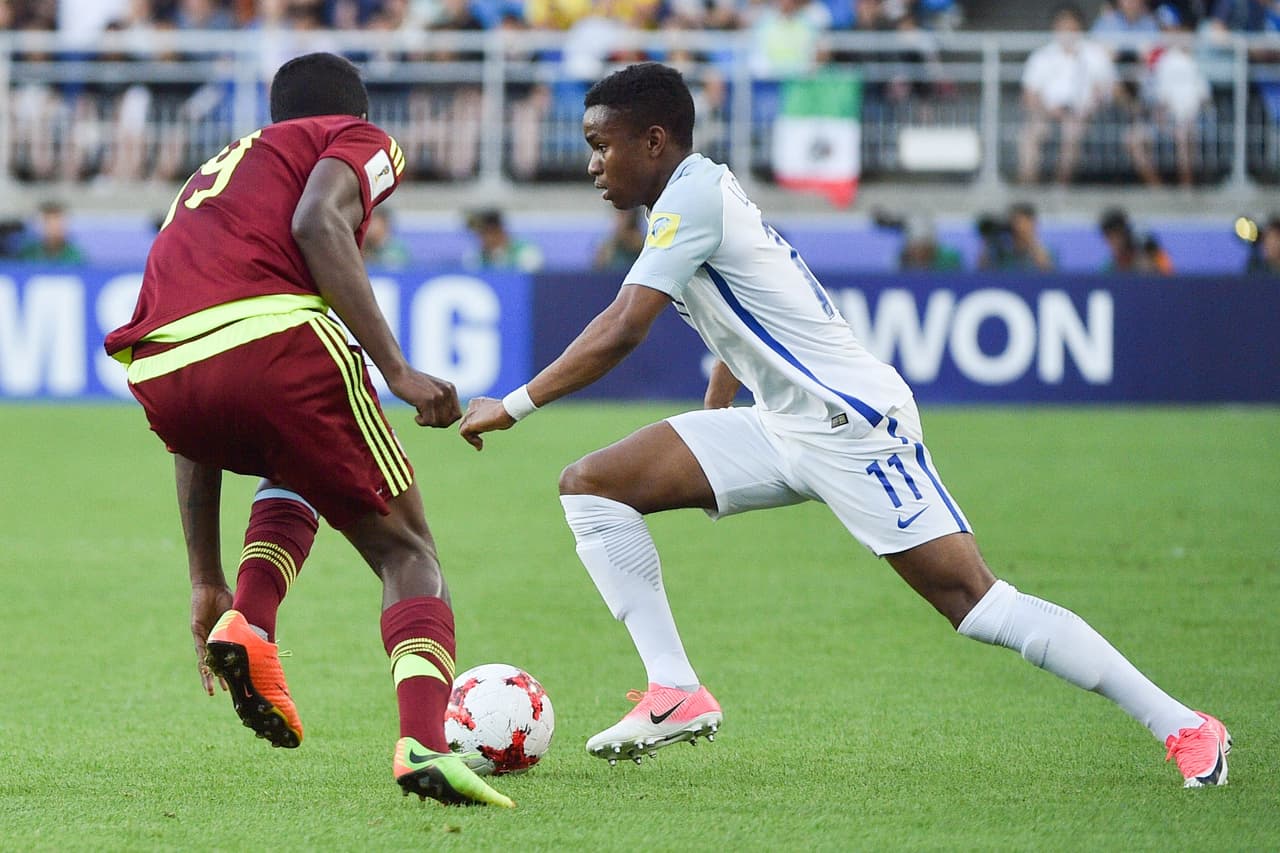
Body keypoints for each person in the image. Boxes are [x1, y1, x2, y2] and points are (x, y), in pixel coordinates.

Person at [457, 62, 1231, 787]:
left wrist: (515, 403)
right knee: (593, 486)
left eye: (601, 146)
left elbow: (624, 326)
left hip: (855, 427)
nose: (592, 163)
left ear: (653, 142)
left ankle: (1186, 724)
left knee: (976, 603)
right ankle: (675, 690)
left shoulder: (691, 197)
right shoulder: (686, 200)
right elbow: (745, 322)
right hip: (784, 423)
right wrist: (715, 421)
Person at [103, 53, 512, 808]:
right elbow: (317, 218)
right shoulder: (360, 136)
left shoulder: (204, 179)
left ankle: (248, 616)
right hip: (278, 347)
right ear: (352, 112)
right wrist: (396, 369)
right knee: (409, 552)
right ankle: (423, 743)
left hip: (162, 372)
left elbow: (199, 399)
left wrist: (203, 576)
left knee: (288, 459)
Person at [1018, 4, 1117, 185]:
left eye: (1071, 28)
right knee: (1031, 134)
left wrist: (1090, 106)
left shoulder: (1095, 54)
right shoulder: (1042, 56)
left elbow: (1108, 89)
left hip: (1084, 114)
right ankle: (1028, 186)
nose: (1067, 33)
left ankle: (1061, 186)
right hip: (1047, 113)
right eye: (1062, 27)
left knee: (1072, 131)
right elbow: (1029, 94)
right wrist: (1048, 110)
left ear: (1079, 27)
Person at [976, 202, 1056, 272]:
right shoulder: (1002, 252)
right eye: (1014, 222)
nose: (1017, 227)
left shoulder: (1048, 251)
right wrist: (989, 240)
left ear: (1032, 223)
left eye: (1022, 222)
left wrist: (1030, 241)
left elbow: (1048, 272)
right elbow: (982, 272)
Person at [463, 208, 545, 272]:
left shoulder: (525, 252)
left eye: (486, 232)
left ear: (498, 230)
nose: (483, 237)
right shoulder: (476, 257)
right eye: (480, 233)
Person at [1099, 207, 1174, 273]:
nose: (1111, 242)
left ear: (1122, 232)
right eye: (1108, 237)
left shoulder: (1147, 246)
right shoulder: (1112, 265)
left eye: (1114, 236)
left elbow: (1167, 271)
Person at [17, 201, 87, 264]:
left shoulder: (76, 256)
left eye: (57, 221)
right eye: (48, 221)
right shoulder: (28, 253)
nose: (53, 227)